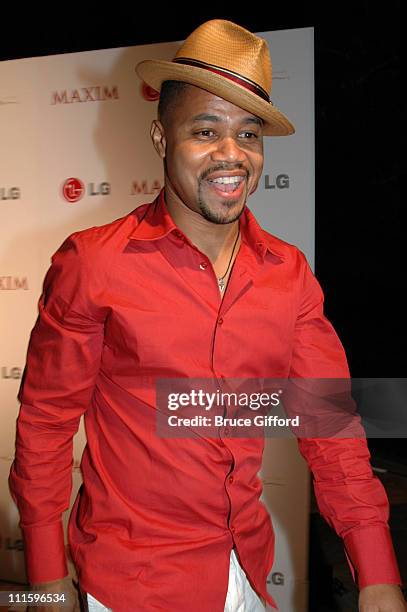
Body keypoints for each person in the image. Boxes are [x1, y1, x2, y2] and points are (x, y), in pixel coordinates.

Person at [8, 18, 406, 612]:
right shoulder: (93, 265)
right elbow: (44, 427)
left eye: (249, 134)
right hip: (128, 587)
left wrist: (378, 575)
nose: (231, 154)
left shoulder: (289, 274)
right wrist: (45, 579)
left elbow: (331, 430)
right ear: (162, 137)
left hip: (246, 574)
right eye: (205, 130)